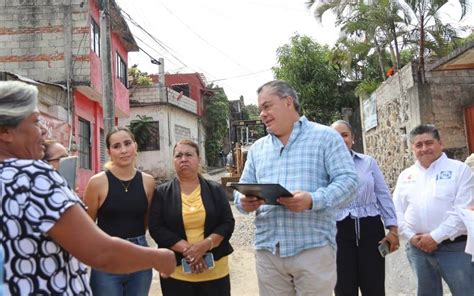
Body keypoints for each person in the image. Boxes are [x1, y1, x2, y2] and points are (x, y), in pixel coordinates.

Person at [0, 81, 175, 295]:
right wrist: (158, 257)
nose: (44, 131)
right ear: (5, 132)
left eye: (127, 143)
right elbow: (100, 252)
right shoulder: (32, 176)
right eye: (36, 122)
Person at [234, 80, 358, 296]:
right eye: (260, 108)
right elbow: (241, 191)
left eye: (266, 106)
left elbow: (349, 181)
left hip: (312, 249)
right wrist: (244, 201)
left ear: (288, 102)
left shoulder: (326, 137)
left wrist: (312, 200)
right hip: (268, 251)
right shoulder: (257, 149)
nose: (262, 114)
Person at [393, 124, 474, 296]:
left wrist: (435, 237)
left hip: (455, 249)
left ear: (440, 143)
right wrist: (411, 237)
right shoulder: (406, 176)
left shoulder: (459, 170)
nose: (424, 148)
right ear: (412, 148)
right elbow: (396, 211)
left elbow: (463, 211)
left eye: (429, 143)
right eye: (418, 145)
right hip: (417, 250)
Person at [149, 139, 235, 296]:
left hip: (215, 272)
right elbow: (156, 228)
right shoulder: (162, 193)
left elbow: (227, 223)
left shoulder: (215, 190)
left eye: (189, 155)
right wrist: (190, 251)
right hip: (176, 273)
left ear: (198, 160)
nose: (183, 159)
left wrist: (204, 246)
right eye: (178, 155)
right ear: (174, 160)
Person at [83, 126, 156, 296]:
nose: (123, 150)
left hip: (140, 258)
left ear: (135, 146)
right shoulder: (97, 183)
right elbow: (87, 225)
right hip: (107, 259)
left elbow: (146, 221)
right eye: (116, 146)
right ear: (109, 151)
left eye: (127, 143)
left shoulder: (148, 182)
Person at [331, 120, 399, 296]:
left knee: (374, 286)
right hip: (337, 232)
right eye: (335, 136)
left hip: (370, 229)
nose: (340, 139)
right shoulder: (323, 167)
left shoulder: (368, 163)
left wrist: (393, 229)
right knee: (344, 287)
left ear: (353, 138)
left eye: (344, 135)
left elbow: (383, 195)